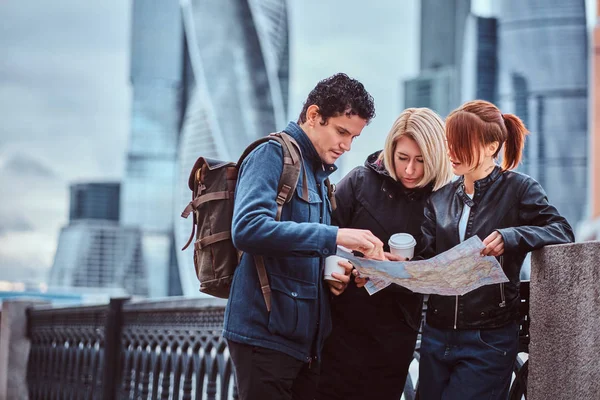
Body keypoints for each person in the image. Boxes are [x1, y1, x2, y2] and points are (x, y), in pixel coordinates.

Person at [223, 73, 385, 400]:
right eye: (341, 132)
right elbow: (248, 229)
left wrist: (336, 268)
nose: (347, 145)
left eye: (354, 137)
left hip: (303, 345)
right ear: (314, 116)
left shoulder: (317, 173)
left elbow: (302, 244)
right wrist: (337, 236)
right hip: (265, 338)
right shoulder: (271, 153)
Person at [417, 100, 575, 400]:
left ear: (491, 146)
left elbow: (562, 231)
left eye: (460, 143)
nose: (450, 151)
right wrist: (395, 262)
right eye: (449, 142)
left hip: (488, 338)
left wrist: (512, 236)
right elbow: (424, 258)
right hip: (436, 335)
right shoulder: (438, 199)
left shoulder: (519, 190)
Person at [316, 108, 453, 400]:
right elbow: (322, 235)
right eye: (403, 158)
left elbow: (443, 266)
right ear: (390, 151)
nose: (410, 170)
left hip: (395, 335)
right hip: (340, 328)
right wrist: (332, 269)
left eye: (421, 160)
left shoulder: (445, 200)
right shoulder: (359, 182)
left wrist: (402, 270)